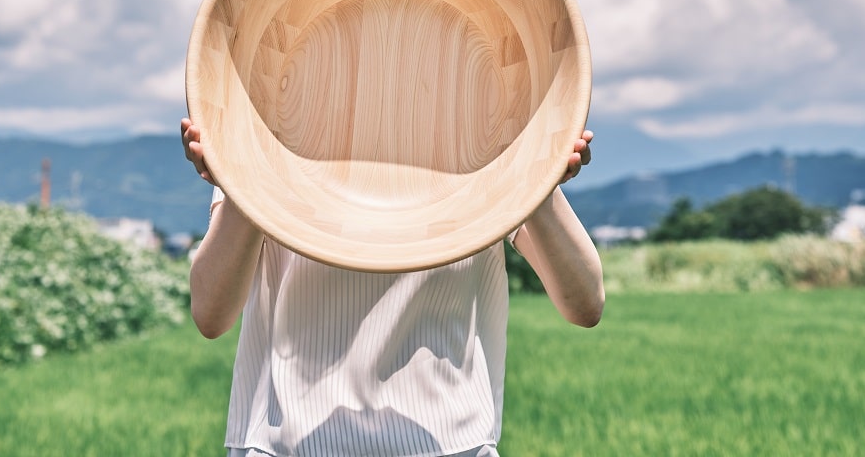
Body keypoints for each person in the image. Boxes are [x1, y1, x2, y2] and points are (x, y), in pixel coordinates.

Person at [182, 117, 605, 457]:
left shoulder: (480, 125)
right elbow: (211, 313)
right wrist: (243, 175)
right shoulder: (270, 117)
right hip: (286, 445)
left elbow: (585, 302)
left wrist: (535, 175)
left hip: (452, 445)